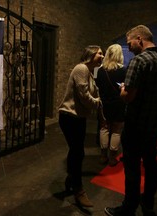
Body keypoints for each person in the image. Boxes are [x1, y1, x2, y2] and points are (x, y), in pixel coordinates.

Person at [104, 25, 157, 216]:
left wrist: (122, 90)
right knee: (151, 165)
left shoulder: (139, 61)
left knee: (133, 168)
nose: (128, 48)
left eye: (129, 43)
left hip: (136, 124)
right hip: (155, 124)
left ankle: (129, 207)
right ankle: (148, 203)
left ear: (139, 39)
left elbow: (128, 96)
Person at [58, 45, 104, 208]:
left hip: (78, 117)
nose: (102, 56)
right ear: (90, 54)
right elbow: (84, 96)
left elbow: (93, 93)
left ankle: (71, 180)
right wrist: (97, 103)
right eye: (99, 53)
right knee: (78, 152)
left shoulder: (90, 72)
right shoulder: (81, 68)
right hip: (70, 116)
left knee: (76, 151)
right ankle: (78, 190)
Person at [95, 44, 126, 166]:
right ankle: (113, 158)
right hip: (119, 104)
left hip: (104, 104)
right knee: (116, 131)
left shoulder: (100, 70)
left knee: (104, 128)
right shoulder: (124, 70)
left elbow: (97, 87)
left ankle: (103, 156)